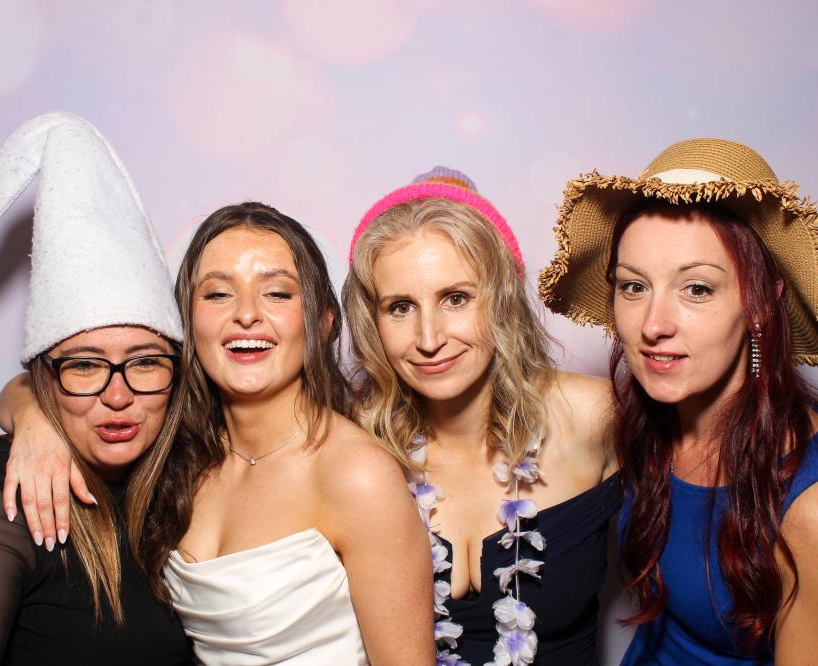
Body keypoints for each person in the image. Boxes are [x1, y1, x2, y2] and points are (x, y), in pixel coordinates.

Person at [0, 202, 435, 664]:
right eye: (218, 294)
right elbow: (30, 386)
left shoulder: (359, 475)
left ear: (323, 323)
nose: (246, 315)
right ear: (185, 324)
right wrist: (34, 419)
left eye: (277, 293)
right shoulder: (172, 449)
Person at [0, 112, 192, 665]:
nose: (118, 396)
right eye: (85, 366)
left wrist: (27, 408)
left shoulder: (182, 480)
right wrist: (29, 413)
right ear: (44, 375)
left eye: (145, 362)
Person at [539, 138, 818, 664]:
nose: (653, 325)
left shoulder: (809, 505)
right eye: (633, 286)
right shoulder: (637, 424)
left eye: (697, 289)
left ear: (762, 303)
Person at [342, 167, 619, 665]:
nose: (429, 338)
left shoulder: (593, 415)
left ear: (502, 299)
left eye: (456, 299)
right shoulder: (351, 445)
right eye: (400, 307)